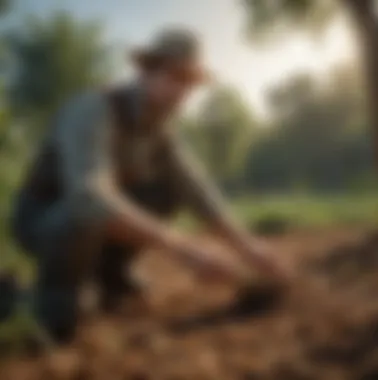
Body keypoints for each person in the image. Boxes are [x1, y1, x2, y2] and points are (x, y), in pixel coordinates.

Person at [11, 28, 287, 343]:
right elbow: (88, 198)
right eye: (175, 76)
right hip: (42, 220)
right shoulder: (91, 109)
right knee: (65, 318)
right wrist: (186, 250)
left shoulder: (162, 131)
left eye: (191, 82)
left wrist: (249, 248)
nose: (182, 91)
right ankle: (38, 298)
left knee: (167, 188)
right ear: (146, 71)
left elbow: (197, 191)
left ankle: (111, 276)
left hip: (89, 225)